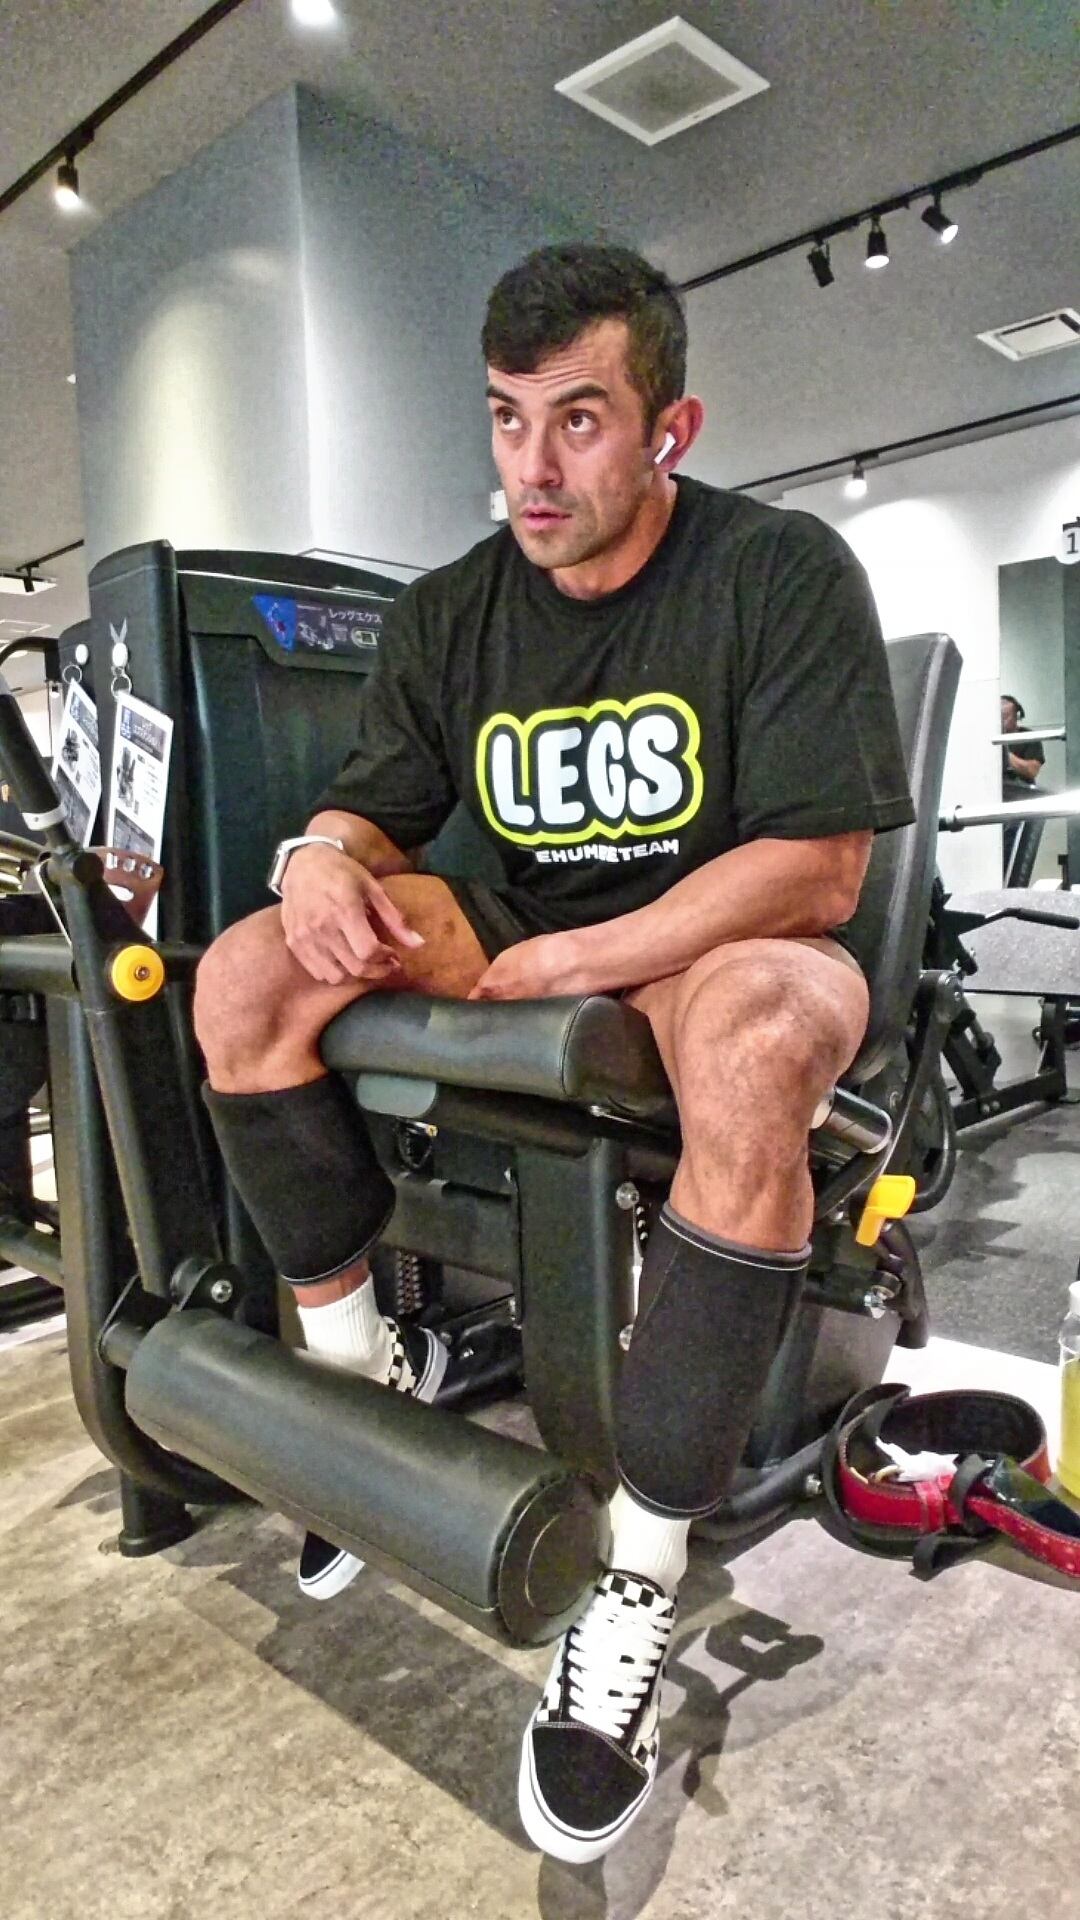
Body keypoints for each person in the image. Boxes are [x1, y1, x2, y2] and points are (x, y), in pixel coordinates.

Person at [193, 244, 914, 1864]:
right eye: (508, 416)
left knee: (755, 1034)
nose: (533, 463)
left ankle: (638, 1581)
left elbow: (821, 867)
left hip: (728, 943)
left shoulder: (778, 571)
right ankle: (363, 1388)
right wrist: (318, 860)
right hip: (520, 932)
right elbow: (373, 806)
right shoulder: (455, 610)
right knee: (241, 979)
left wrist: (587, 960)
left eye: (579, 419)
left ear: (669, 430)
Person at [1000, 694, 1047, 885]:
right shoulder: (987, 739)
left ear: (1017, 716)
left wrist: (1005, 755)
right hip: (997, 800)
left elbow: (1032, 769)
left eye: (1005, 717)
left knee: (1016, 856)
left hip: (1020, 802)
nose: (1002, 722)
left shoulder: (1028, 737)